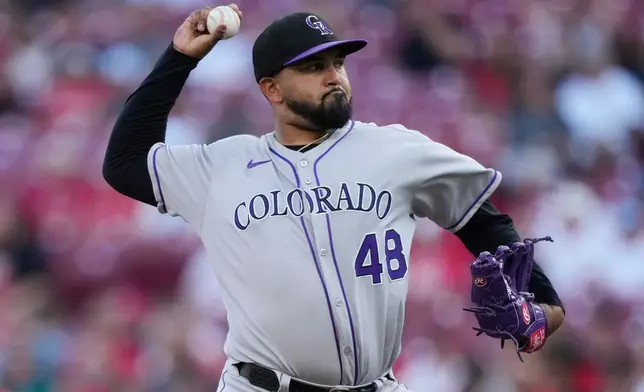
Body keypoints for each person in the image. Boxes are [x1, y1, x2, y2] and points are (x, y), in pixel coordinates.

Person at [102, 4, 565, 392]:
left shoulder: (396, 150)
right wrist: (180, 58)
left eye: (337, 64)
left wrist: (545, 308)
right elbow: (124, 162)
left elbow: (483, 222)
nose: (332, 76)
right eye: (312, 68)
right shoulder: (220, 166)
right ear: (271, 89)